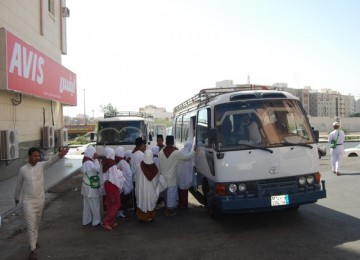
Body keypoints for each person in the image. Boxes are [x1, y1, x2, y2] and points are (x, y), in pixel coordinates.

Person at [14, 146, 69, 260]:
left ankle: (34, 240)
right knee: (31, 223)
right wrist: (16, 197)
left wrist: (60, 155)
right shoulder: (23, 169)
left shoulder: (41, 166)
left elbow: (51, 162)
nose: (37, 158)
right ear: (29, 157)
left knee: (36, 222)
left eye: (38, 156)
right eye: (34, 156)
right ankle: (33, 249)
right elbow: (19, 184)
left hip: (40, 200)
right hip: (28, 201)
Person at [159, 136, 196, 217]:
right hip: (172, 178)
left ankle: (167, 209)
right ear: (173, 142)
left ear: (165, 142)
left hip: (164, 178)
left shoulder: (161, 152)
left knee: (166, 194)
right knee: (171, 195)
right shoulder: (175, 153)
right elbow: (187, 158)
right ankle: (169, 211)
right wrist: (194, 151)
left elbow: (159, 166)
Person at [101, 147, 126, 230]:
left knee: (110, 203)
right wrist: (120, 172)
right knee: (116, 203)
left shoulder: (104, 161)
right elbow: (115, 175)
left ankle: (111, 221)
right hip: (112, 185)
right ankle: (107, 221)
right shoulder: (111, 163)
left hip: (107, 184)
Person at [135, 149, 161, 222]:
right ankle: (149, 217)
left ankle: (142, 217)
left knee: (142, 201)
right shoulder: (155, 168)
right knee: (150, 202)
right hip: (150, 190)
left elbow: (137, 178)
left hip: (141, 189)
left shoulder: (139, 166)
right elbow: (156, 180)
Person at [81, 145, 101, 227]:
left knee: (87, 205)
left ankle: (86, 220)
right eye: (94, 153)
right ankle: (96, 221)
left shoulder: (85, 161)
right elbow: (97, 169)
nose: (95, 154)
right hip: (91, 186)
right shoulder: (89, 162)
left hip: (86, 185)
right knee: (95, 204)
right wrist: (96, 159)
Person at [115, 146, 133, 218]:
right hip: (124, 182)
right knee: (123, 198)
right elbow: (129, 173)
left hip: (118, 182)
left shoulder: (115, 160)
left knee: (119, 198)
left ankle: (118, 212)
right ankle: (121, 213)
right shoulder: (123, 162)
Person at [176, 142, 195, 209]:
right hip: (186, 177)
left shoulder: (181, 152)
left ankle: (181, 204)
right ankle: (184, 205)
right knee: (185, 191)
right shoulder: (188, 155)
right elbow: (192, 165)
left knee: (180, 190)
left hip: (180, 176)